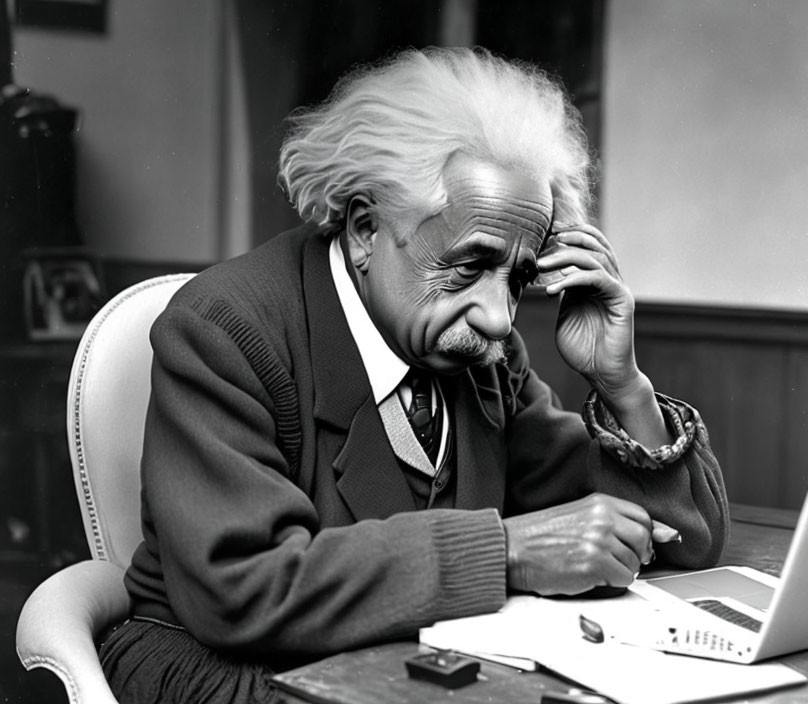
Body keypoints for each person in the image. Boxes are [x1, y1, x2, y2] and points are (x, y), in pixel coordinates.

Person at [99, 46, 729, 703]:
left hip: (404, 659)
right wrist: (506, 551)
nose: (496, 315)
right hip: (227, 672)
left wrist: (622, 385)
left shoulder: (486, 359)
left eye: (517, 277)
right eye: (467, 266)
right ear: (366, 227)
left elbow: (673, 543)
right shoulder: (226, 328)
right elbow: (243, 589)